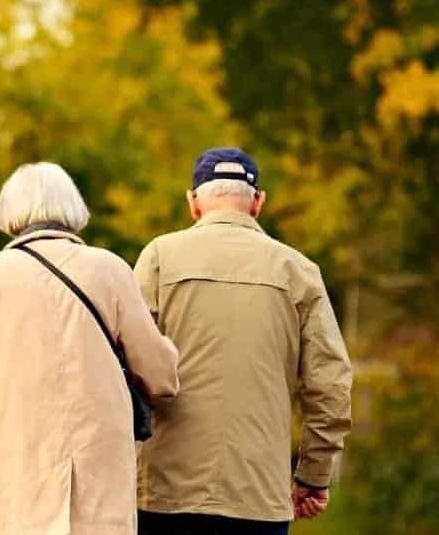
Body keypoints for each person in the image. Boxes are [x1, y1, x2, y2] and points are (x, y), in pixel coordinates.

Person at [0, 162, 179, 535]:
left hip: (18, 482)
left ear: (8, 213)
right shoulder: (111, 270)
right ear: (73, 210)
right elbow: (162, 377)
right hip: (100, 486)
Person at [134, 147, 353, 535]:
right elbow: (329, 385)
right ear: (258, 203)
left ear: (193, 204)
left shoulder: (158, 259)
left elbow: (125, 366)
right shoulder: (297, 271)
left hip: (164, 494)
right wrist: (313, 476)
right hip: (258, 497)